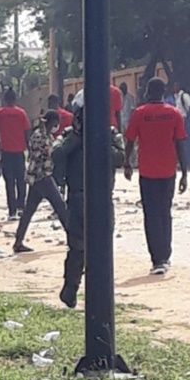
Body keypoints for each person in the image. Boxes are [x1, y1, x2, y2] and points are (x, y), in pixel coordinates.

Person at [52, 91, 125, 308]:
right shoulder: (69, 136)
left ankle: (101, 296)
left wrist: (99, 141)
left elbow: (120, 158)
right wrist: (77, 136)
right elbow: (57, 154)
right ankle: (71, 289)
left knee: (102, 250)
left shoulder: (110, 135)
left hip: (102, 201)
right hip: (78, 199)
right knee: (77, 249)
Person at [124, 77, 188, 276]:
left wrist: (127, 162)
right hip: (168, 171)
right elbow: (180, 144)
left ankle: (157, 258)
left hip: (147, 172)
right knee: (164, 213)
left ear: (147, 92)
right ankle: (166, 256)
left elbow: (129, 140)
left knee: (150, 215)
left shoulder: (139, 114)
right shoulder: (174, 113)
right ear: (164, 92)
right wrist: (184, 173)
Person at [13, 110, 68, 253]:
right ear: (51, 122)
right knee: (60, 207)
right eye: (56, 123)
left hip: (38, 178)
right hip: (42, 176)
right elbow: (44, 154)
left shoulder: (46, 135)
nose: (57, 126)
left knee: (29, 211)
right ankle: (74, 238)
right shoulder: (39, 136)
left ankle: (18, 242)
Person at [0, 89, 31, 220]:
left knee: (9, 182)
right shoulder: (21, 113)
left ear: (5, 100)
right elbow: (27, 132)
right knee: (21, 180)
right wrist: (30, 149)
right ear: (15, 99)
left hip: (6, 152)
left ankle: (12, 211)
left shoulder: (0, 114)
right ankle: (21, 206)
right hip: (19, 152)